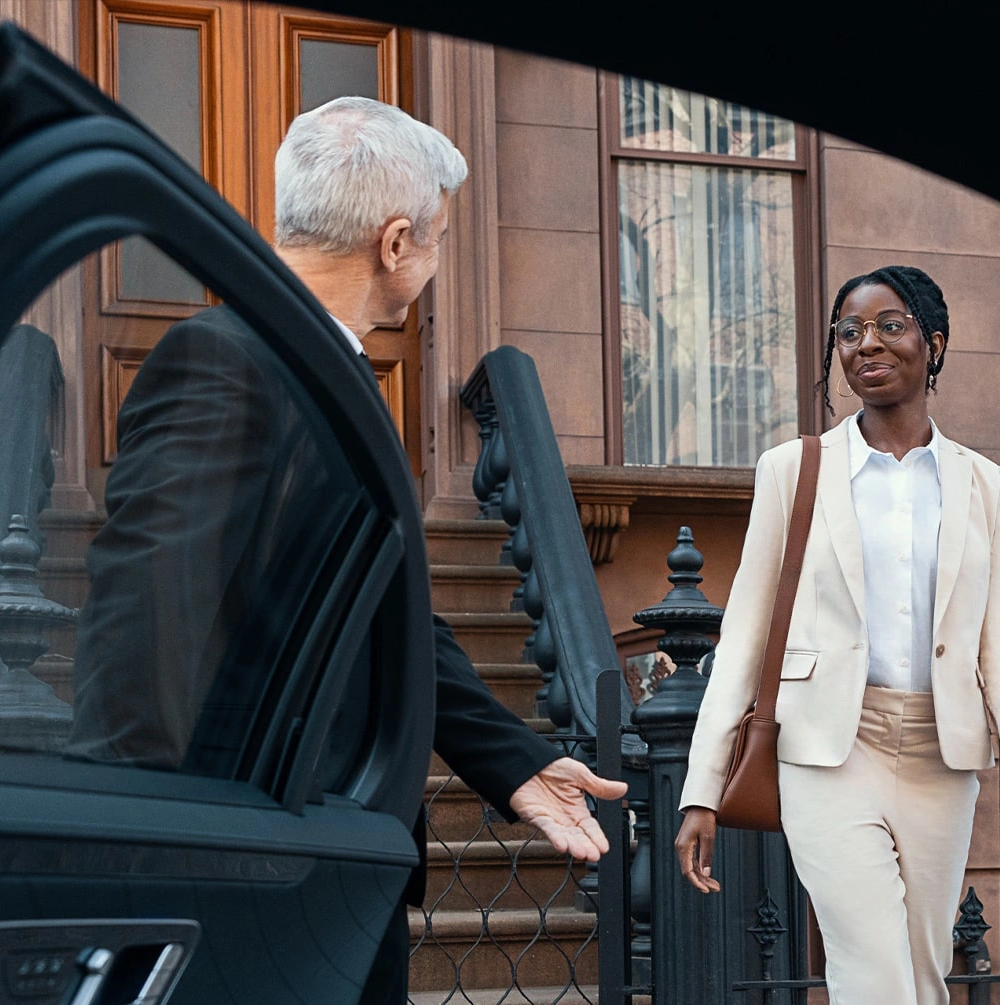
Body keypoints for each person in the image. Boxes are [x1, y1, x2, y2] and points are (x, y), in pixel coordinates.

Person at [66, 95, 626, 1003]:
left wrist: (512, 759)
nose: (437, 261)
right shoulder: (224, 359)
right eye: (439, 237)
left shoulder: (328, 368)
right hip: (254, 873)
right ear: (395, 242)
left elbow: (384, 609)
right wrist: (152, 864)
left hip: (328, 866)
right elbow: (138, 624)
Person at [670, 265, 1000, 1005]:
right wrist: (701, 787)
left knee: (923, 974)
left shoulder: (981, 482)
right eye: (850, 331)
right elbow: (745, 635)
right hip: (829, 746)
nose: (868, 343)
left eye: (889, 325)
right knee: (874, 970)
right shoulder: (793, 470)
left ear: (934, 343)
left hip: (941, 753)